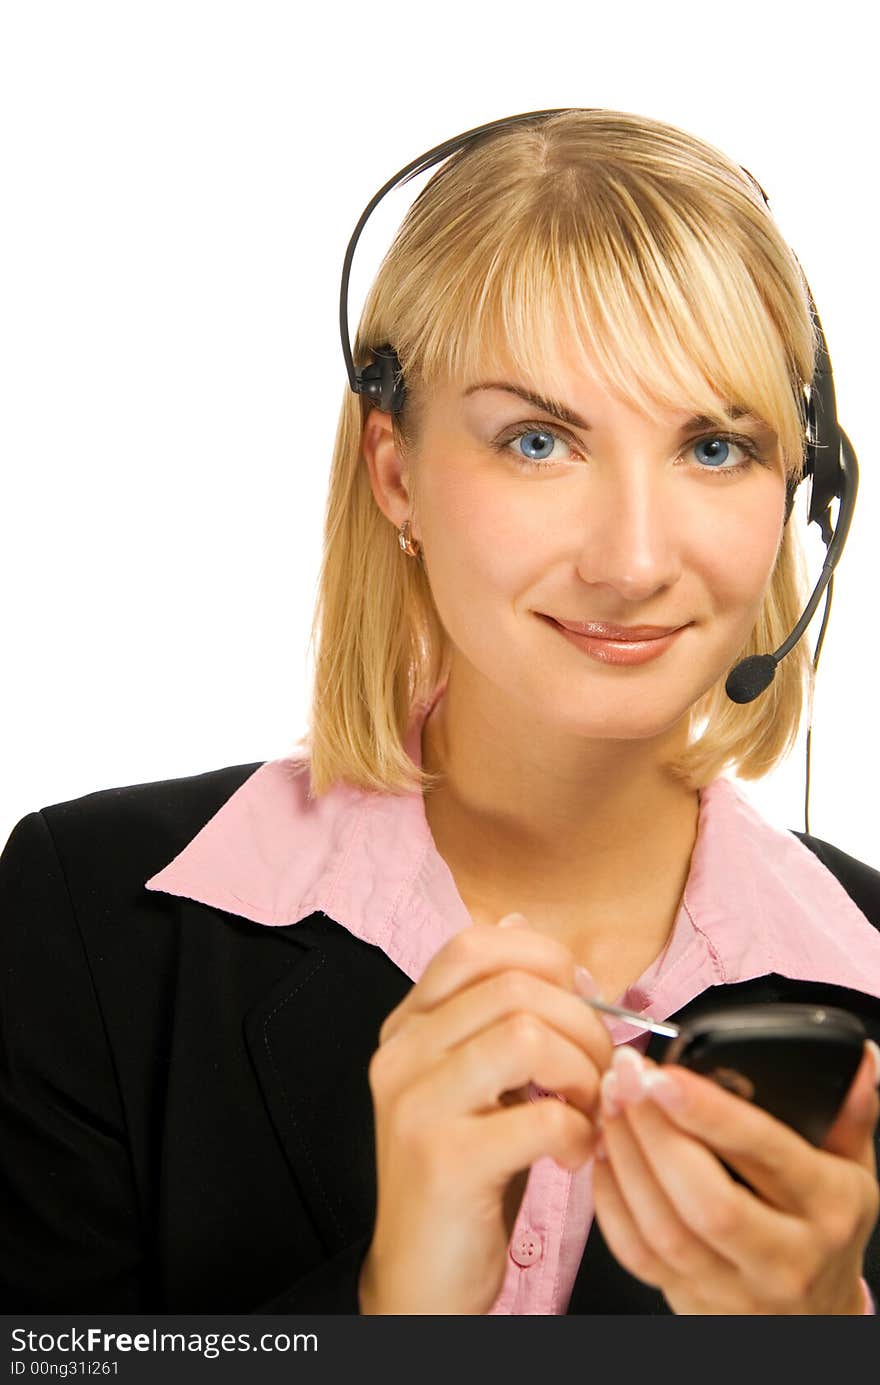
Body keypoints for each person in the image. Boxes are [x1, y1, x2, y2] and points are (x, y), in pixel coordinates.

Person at [2, 108, 880, 1317]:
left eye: (714, 446)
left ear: (799, 489)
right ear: (395, 469)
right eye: (537, 439)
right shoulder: (86, 917)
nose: (631, 558)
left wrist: (828, 1341)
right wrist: (390, 1310)